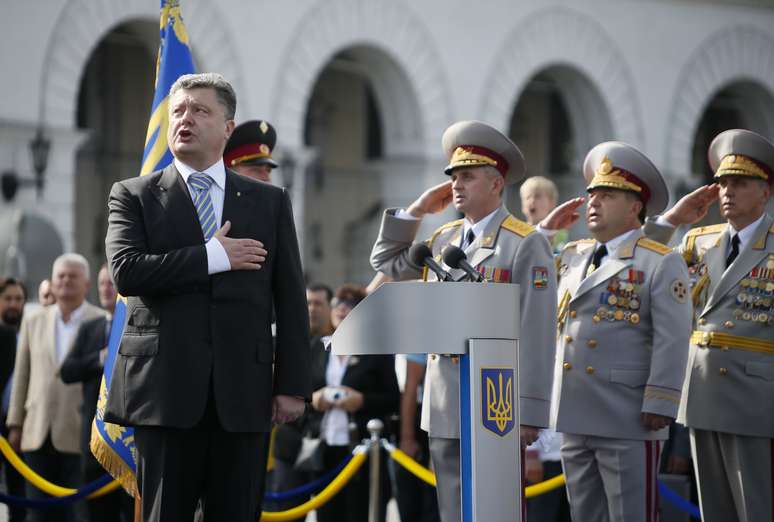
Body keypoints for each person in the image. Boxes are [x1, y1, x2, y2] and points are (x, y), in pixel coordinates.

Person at [103, 72, 310, 522]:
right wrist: (210, 256)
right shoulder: (134, 195)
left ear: (227, 127)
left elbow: (291, 297)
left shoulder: (268, 202)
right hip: (164, 394)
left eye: (200, 110)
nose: (186, 119)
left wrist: (292, 385)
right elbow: (126, 272)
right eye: (178, 110)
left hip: (243, 395)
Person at [371, 120, 557, 522]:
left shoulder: (524, 243)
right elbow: (385, 263)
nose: (456, 185)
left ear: (496, 183)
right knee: (452, 510)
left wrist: (530, 412)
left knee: (496, 510)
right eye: (454, 176)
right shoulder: (442, 240)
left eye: (468, 176)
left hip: (498, 404)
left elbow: (537, 331)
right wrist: (417, 210)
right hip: (444, 401)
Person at [550, 142, 692, 522]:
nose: (593, 203)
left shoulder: (660, 262)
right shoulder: (573, 256)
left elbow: (673, 338)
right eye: (592, 194)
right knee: (586, 515)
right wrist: (545, 229)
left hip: (628, 414)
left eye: (607, 195)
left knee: (632, 515)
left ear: (635, 207)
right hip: (575, 411)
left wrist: (661, 402)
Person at [641, 129, 774, 522]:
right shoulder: (699, 241)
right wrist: (671, 220)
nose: (727, 191)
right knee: (715, 509)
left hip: (756, 399)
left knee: (757, 507)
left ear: (764, 192)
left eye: (740, 183)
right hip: (701, 394)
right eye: (723, 183)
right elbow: (641, 265)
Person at [7, 254, 106, 522]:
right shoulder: (33, 319)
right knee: (37, 513)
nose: (65, 281)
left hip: (79, 433)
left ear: (86, 284)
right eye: (60, 275)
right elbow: (22, 374)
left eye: (72, 276)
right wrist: (15, 422)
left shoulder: (101, 321)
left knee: (75, 513)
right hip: (36, 430)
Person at [307, 284, 400, 522]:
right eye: (338, 303)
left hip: (362, 450)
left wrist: (362, 401)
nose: (342, 309)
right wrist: (314, 398)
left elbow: (392, 400)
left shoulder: (376, 351)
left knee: (359, 513)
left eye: (350, 305)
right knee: (327, 514)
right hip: (325, 449)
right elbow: (301, 392)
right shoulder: (318, 348)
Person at [60, 264, 133, 521]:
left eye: (110, 283)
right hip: (95, 439)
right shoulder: (90, 328)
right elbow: (67, 371)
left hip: (129, 440)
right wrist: (99, 358)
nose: (105, 289)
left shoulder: (136, 324)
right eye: (102, 283)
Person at [268, 282, 335, 520]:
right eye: (307, 303)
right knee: (286, 514)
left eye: (318, 303)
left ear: (330, 307)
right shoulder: (282, 340)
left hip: (330, 446)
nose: (312, 309)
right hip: (290, 443)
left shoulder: (338, 345)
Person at [0, 277, 27, 522]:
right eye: (7, 299)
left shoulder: (29, 333)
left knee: (20, 492)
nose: (13, 305)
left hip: (20, 426)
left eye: (18, 299)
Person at [520, 175, 568, 250]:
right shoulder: (517, 231)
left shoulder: (558, 233)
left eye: (537, 196)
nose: (532, 201)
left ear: (551, 203)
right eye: (527, 197)